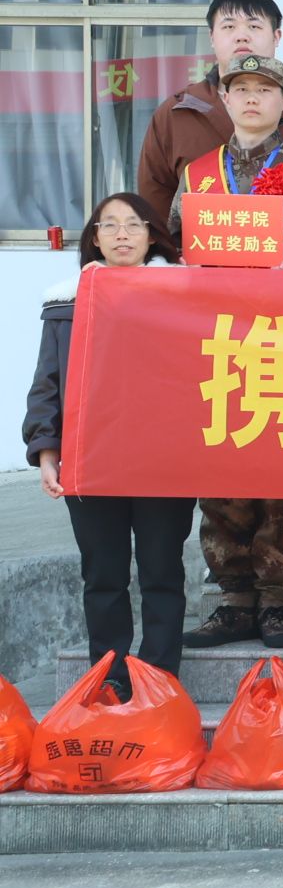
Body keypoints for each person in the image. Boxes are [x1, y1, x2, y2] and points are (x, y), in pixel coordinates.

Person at [168, 53, 283, 651]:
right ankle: (233, 600)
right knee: (220, 471)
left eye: (264, 90)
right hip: (216, 342)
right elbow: (176, 248)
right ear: (224, 98)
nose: (251, 98)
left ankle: (276, 599)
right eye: (240, 88)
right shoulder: (199, 174)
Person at [24, 193, 193, 696]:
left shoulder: (184, 296)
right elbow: (48, 385)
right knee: (103, 577)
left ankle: (159, 680)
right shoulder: (67, 304)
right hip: (91, 462)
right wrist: (47, 453)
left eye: (134, 224)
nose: (122, 234)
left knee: (162, 573)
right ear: (94, 238)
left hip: (163, 463)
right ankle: (110, 680)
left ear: (151, 235)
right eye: (110, 225)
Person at [137, 0, 283, 222]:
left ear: (277, 36)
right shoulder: (177, 113)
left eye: (254, 26)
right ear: (212, 37)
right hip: (204, 244)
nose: (242, 36)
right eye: (229, 26)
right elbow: (156, 203)